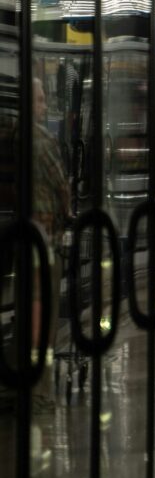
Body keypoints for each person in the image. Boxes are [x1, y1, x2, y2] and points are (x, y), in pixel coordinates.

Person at [0, 77, 71, 414]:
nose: (44, 106)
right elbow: (62, 188)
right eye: (41, 100)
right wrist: (68, 214)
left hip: (20, 239)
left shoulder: (10, 135)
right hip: (45, 243)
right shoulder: (42, 140)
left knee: (23, 313)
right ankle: (40, 391)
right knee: (44, 317)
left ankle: (12, 383)